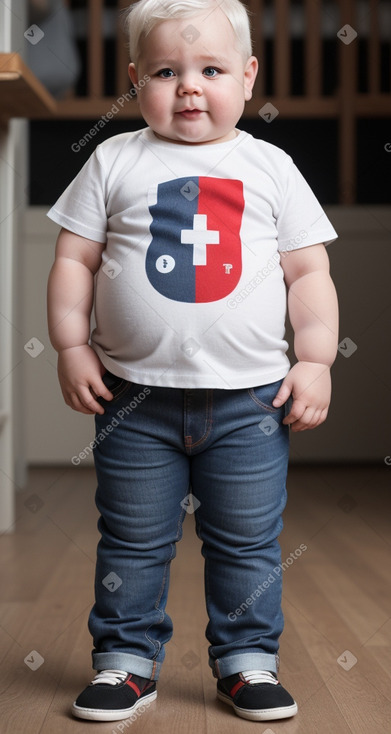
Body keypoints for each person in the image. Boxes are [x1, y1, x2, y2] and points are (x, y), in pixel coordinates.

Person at [47, 0, 339, 723]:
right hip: (133, 398)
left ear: (246, 76)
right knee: (131, 539)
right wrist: (70, 343)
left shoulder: (270, 166)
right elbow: (74, 258)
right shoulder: (114, 159)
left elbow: (307, 274)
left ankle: (246, 661)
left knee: (245, 541)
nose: (187, 88)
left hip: (250, 404)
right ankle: (125, 660)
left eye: (209, 70)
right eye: (165, 72)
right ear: (134, 79)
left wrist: (316, 359)